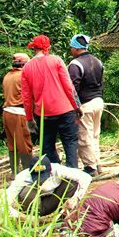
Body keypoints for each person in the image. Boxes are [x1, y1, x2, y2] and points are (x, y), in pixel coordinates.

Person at [21, 35, 82, 168]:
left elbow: (26, 97)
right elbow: (68, 86)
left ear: (34, 48)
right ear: (48, 47)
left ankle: (54, 173)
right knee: (70, 143)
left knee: (47, 146)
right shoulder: (56, 61)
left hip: (43, 114)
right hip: (65, 110)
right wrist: (77, 106)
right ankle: (72, 175)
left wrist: (29, 118)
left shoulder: (26, 68)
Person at [0, 156, 92, 217]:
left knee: (72, 183)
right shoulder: (23, 176)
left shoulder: (58, 169)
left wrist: (76, 198)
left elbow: (86, 177)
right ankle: (35, 216)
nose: (41, 181)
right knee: (25, 192)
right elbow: (5, 201)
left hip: (55, 201)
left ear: (50, 170)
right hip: (36, 206)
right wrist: (19, 216)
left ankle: (64, 214)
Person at [68, 34, 104, 177]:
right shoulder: (98, 61)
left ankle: (90, 167)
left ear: (76, 48)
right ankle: (97, 162)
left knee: (84, 137)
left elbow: (72, 88)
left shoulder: (75, 65)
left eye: (71, 47)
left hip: (85, 104)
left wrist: (75, 107)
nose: (71, 50)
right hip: (98, 101)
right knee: (95, 134)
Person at [2, 53, 33, 178]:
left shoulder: (8, 76)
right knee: (24, 144)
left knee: (12, 144)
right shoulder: (22, 76)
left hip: (7, 113)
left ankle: (15, 172)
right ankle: (29, 172)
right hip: (18, 113)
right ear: (24, 64)